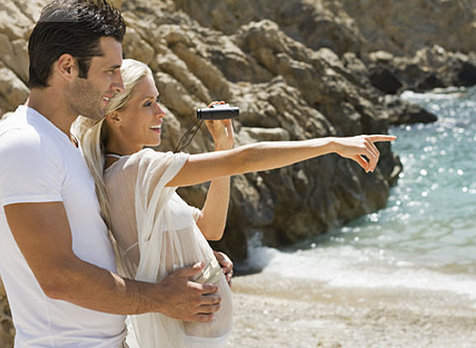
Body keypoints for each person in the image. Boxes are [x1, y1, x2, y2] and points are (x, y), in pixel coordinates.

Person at [74, 59, 397, 348]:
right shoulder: (138, 169)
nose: (161, 112)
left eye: (157, 100)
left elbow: (210, 228)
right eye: (148, 103)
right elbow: (244, 160)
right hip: (182, 337)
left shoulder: (127, 173)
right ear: (114, 114)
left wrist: (222, 145)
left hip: (191, 334)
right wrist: (330, 144)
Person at [0, 0, 227, 348]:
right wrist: (161, 297)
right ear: (67, 67)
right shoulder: (25, 145)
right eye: (109, 70)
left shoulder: (68, 143)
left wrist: (193, 255)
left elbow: (106, 243)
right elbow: (59, 277)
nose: (119, 85)